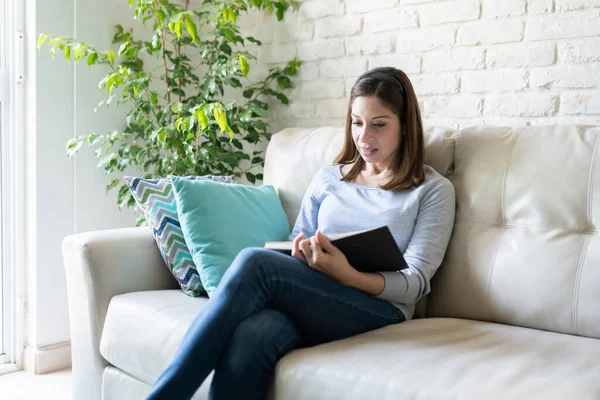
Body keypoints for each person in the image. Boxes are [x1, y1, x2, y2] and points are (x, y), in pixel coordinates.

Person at [146, 66, 456, 400]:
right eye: (356, 122)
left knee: (256, 262)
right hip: (317, 294)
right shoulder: (328, 179)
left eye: (379, 125)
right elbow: (299, 238)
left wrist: (349, 276)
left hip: (380, 309)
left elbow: (416, 282)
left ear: (406, 126)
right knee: (253, 334)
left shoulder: (432, 190)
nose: (364, 137)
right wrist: (304, 254)